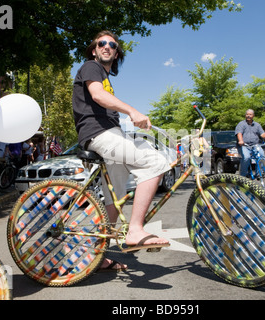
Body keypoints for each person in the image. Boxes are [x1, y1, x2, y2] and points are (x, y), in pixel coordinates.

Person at [72, 30, 171, 272]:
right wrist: (132, 111)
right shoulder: (91, 67)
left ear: (116, 53)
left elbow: (104, 101)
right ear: (95, 49)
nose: (107, 46)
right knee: (155, 162)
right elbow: (97, 95)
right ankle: (135, 230)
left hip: (109, 134)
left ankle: (97, 255)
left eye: (112, 45)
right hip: (99, 134)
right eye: (101, 43)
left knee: (114, 197)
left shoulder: (105, 76)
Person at [235, 109, 265, 177]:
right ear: (245, 115)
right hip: (244, 145)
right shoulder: (241, 124)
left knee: (262, 155)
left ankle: (259, 173)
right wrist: (241, 141)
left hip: (255, 144)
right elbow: (239, 133)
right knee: (246, 158)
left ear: (253, 116)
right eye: (247, 114)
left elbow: (262, 133)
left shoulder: (257, 125)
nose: (248, 116)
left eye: (250, 114)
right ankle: (243, 175)